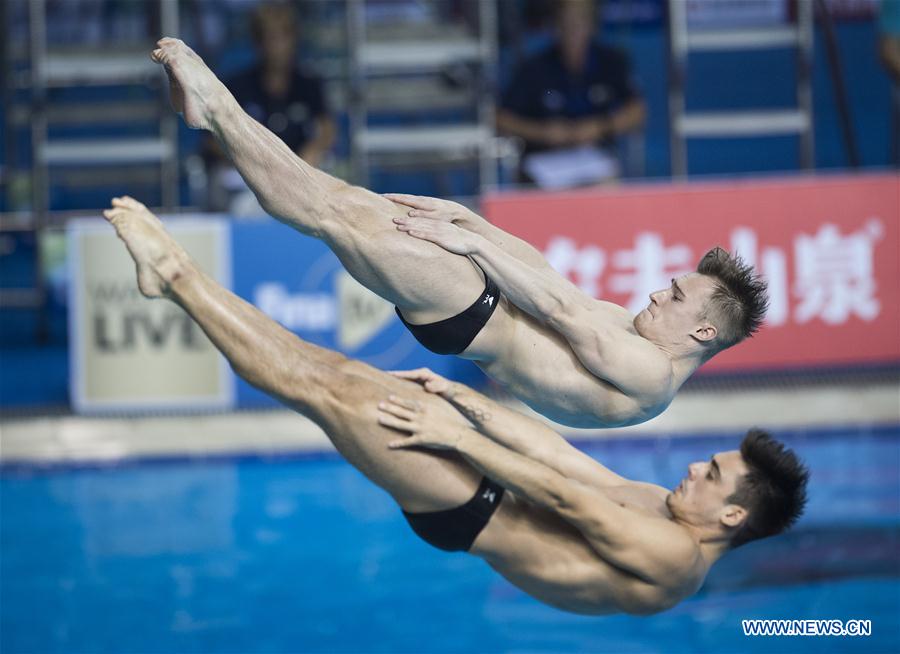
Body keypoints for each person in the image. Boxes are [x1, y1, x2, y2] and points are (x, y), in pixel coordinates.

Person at [101, 195, 809, 615]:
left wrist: (459, 437)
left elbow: (563, 496)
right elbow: (560, 457)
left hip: (476, 508)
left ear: (734, 516)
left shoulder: (674, 555)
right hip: (488, 485)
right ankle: (177, 281)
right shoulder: (663, 507)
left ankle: (176, 279)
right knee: (334, 375)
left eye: (711, 476)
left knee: (318, 384)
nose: (692, 469)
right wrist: (468, 406)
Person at [149, 37, 768, 430]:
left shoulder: (648, 375)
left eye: (676, 298)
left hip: (472, 312)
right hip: (478, 298)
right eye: (670, 286)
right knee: (339, 200)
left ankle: (220, 110)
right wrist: (472, 223)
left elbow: (551, 305)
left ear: (704, 332)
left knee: (327, 212)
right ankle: (217, 114)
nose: (658, 295)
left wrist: (473, 246)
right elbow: (555, 284)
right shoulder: (633, 333)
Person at [202, 1, 336, 210]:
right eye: (270, 38)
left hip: (301, 178)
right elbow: (212, 139)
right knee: (245, 209)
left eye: (284, 37)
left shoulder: (309, 84)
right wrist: (250, 162)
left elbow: (326, 130)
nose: (277, 46)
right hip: (249, 181)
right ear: (258, 42)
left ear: (294, 39)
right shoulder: (235, 86)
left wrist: (309, 157)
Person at [497, 0, 646, 186]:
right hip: (544, 160)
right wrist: (542, 132)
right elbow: (501, 118)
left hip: (594, 156)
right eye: (566, 23)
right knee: (538, 186)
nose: (573, 30)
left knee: (607, 184)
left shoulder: (611, 61)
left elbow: (636, 111)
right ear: (556, 26)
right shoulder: (535, 68)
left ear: (592, 25)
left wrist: (599, 127)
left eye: (580, 21)